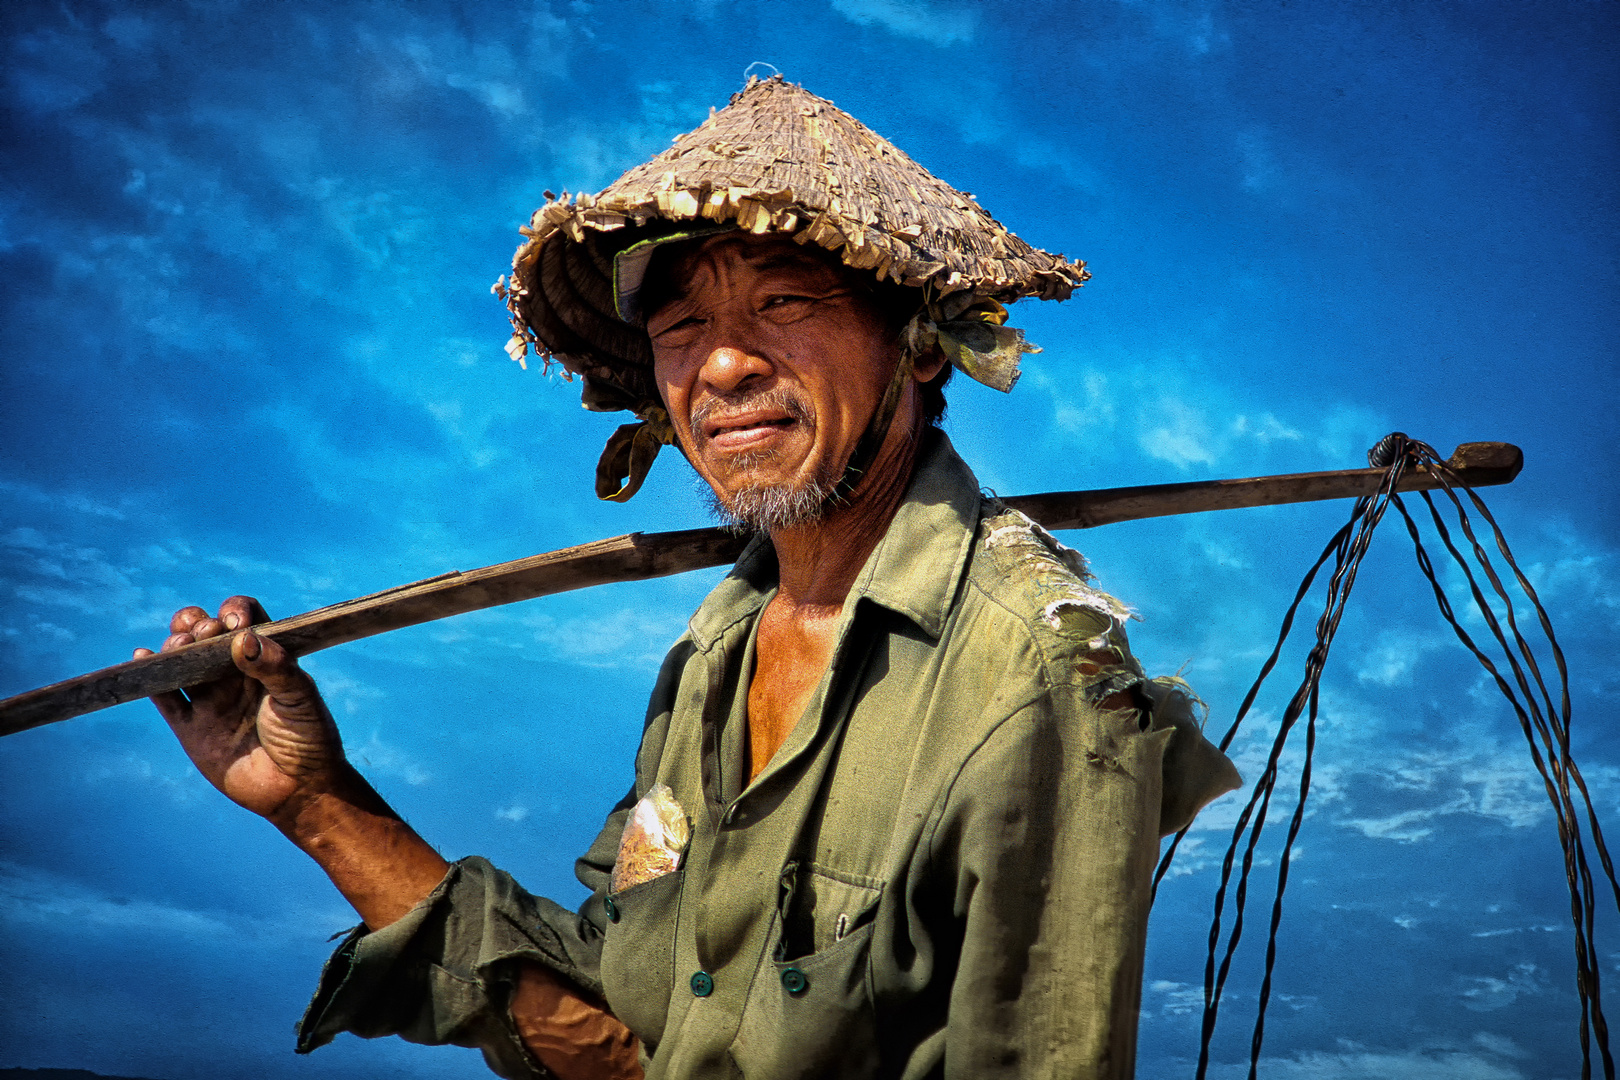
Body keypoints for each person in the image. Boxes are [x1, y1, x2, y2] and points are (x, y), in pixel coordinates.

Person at [140, 77, 1239, 1080]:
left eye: (785, 305)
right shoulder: (712, 657)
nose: (721, 364)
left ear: (918, 344)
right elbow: (623, 1035)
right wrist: (317, 803)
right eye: (681, 323)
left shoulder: (1039, 670)